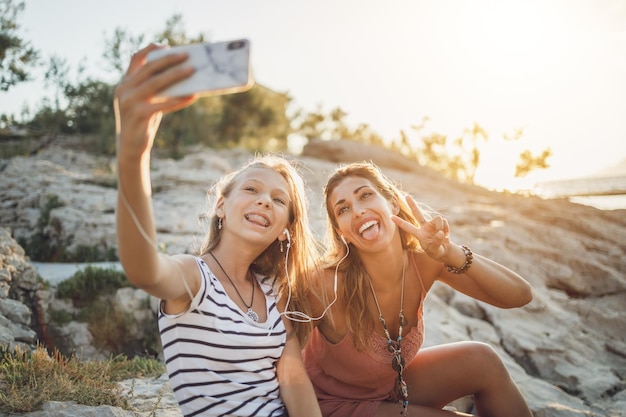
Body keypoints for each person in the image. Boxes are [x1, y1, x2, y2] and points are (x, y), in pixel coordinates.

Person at [114, 44, 322, 417]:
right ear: (221, 206)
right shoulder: (194, 277)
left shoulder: (274, 289)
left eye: (278, 201)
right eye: (251, 189)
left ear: (284, 230)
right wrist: (134, 153)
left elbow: (292, 378)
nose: (264, 202)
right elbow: (143, 268)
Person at [302, 161, 534, 417]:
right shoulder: (327, 284)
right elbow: (275, 347)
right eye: (343, 209)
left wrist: (451, 253)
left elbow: (520, 295)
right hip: (331, 404)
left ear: (392, 202)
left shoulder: (424, 261)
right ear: (341, 232)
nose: (357, 211)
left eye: (365, 195)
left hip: (391, 386)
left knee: (483, 360)